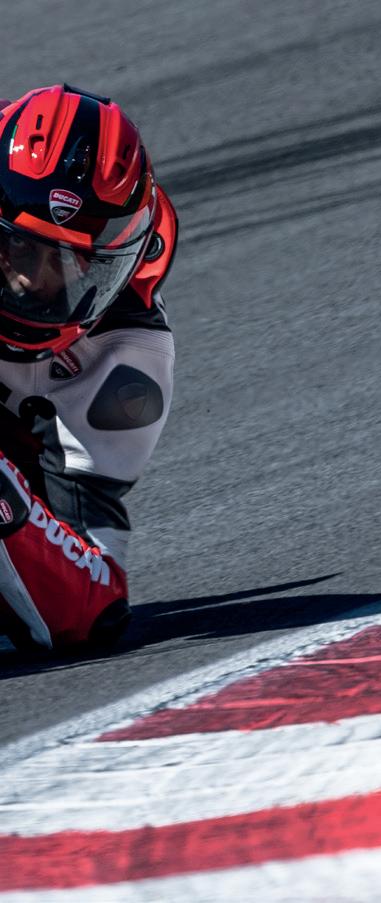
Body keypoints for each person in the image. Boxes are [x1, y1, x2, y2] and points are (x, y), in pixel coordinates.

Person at [0, 84, 177, 652]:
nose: (33, 283)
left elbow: (93, 602)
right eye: (20, 249)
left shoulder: (125, 360)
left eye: (73, 264)